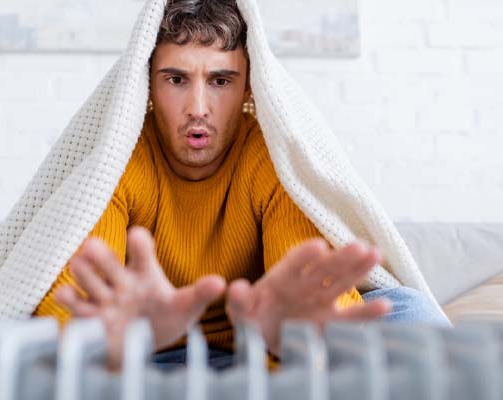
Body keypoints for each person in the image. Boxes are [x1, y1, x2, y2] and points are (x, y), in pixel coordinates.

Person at [32, 0, 448, 371]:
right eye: (176, 80)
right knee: (13, 338)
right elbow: (69, 305)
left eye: (220, 81)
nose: (198, 109)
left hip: (258, 346)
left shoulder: (270, 155)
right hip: (145, 351)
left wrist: (286, 337)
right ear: (147, 85)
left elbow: (310, 294)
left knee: (410, 310)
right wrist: (116, 341)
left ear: (248, 85)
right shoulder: (117, 158)